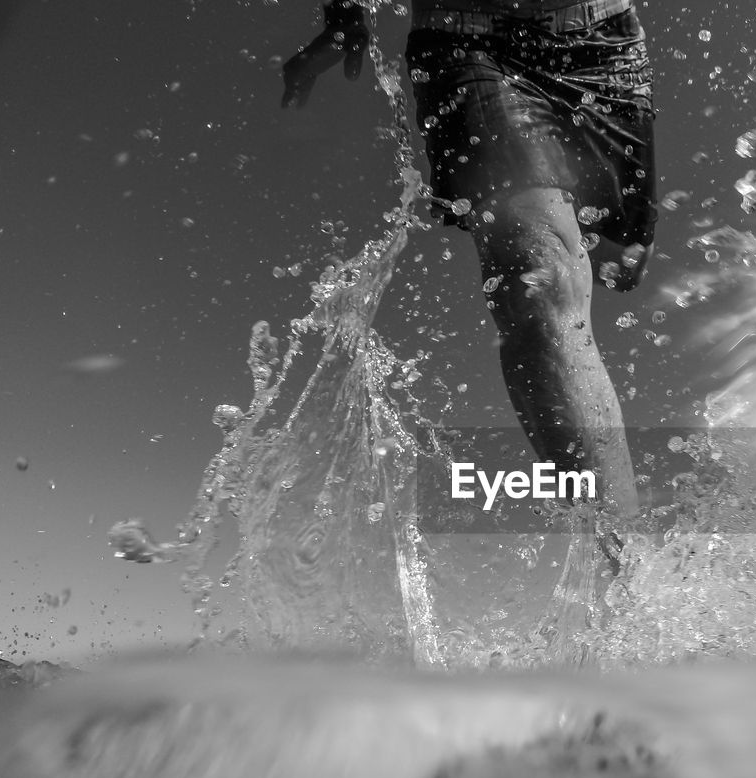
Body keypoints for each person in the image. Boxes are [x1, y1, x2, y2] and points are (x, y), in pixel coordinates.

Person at [282, 0, 657, 563]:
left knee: (620, 265)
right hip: (466, 39)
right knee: (538, 280)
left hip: (604, 41)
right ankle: (627, 576)